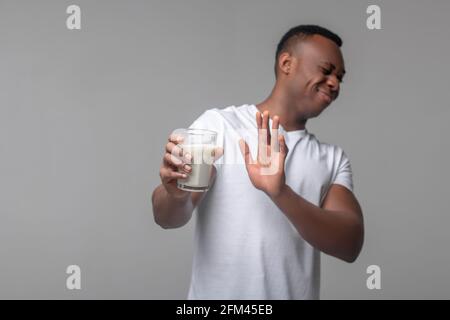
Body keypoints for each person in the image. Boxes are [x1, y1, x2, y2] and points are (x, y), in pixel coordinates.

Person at [152, 24, 364, 300]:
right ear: (286, 63)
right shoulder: (220, 126)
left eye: (339, 77)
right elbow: (167, 218)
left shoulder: (332, 159)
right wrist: (175, 195)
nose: (335, 83)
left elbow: (350, 244)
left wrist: (280, 192)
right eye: (326, 71)